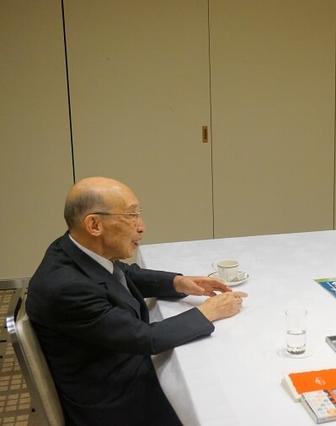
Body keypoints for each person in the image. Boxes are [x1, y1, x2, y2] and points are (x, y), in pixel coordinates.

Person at [26, 177, 248, 425]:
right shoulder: (66, 288)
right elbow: (145, 338)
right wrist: (209, 312)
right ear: (94, 224)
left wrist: (179, 282)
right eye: (131, 216)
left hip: (112, 368)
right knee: (223, 393)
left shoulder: (72, 248)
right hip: (115, 403)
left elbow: (122, 273)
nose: (141, 226)